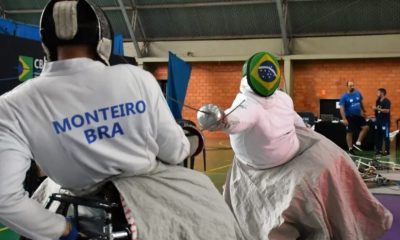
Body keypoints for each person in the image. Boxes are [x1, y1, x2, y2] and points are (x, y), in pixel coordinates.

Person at [0, 1, 242, 239]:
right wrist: (192, 140)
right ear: (102, 40)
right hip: (148, 203)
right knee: (218, 219)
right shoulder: (137, 78)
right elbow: (174, 151)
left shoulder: (12, 104)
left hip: (72, 204)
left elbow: (5, 199)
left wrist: (62, 229)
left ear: (46, 44)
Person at [198, 52, 392, 240]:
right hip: (261, 166)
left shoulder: (282, 98)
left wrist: (306, 128)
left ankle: (353, 213)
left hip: (296, 146)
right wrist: (221, 120)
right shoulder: (247, 104)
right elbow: (237, 118)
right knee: (303, 193)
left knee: (338, 160)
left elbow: (294, 119)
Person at [339, 81, 369, 154]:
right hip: (349, 116)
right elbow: (341, 109)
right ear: (347, 86)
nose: (352, 87)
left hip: (358, 116)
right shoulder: (344, 96)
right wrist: (344, 119)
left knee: (366, 128)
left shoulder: (358, 93)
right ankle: (350, 148)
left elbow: (360, 102)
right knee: (350, 132)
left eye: (352, 85)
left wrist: (364, 110)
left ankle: (358, 142)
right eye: (350, 85)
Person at [373, 88, 391, 156]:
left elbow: (387, 110)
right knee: (378, 136)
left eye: (378, 92)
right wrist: (375, 117)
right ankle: (378, 151)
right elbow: (377, 112)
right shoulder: (378, 101)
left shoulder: (387, 101)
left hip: (385, 122)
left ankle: (387, 151)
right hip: (378, 122)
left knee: (386, 136)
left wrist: (376, 108)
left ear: (382, 93)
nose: (377, 94)